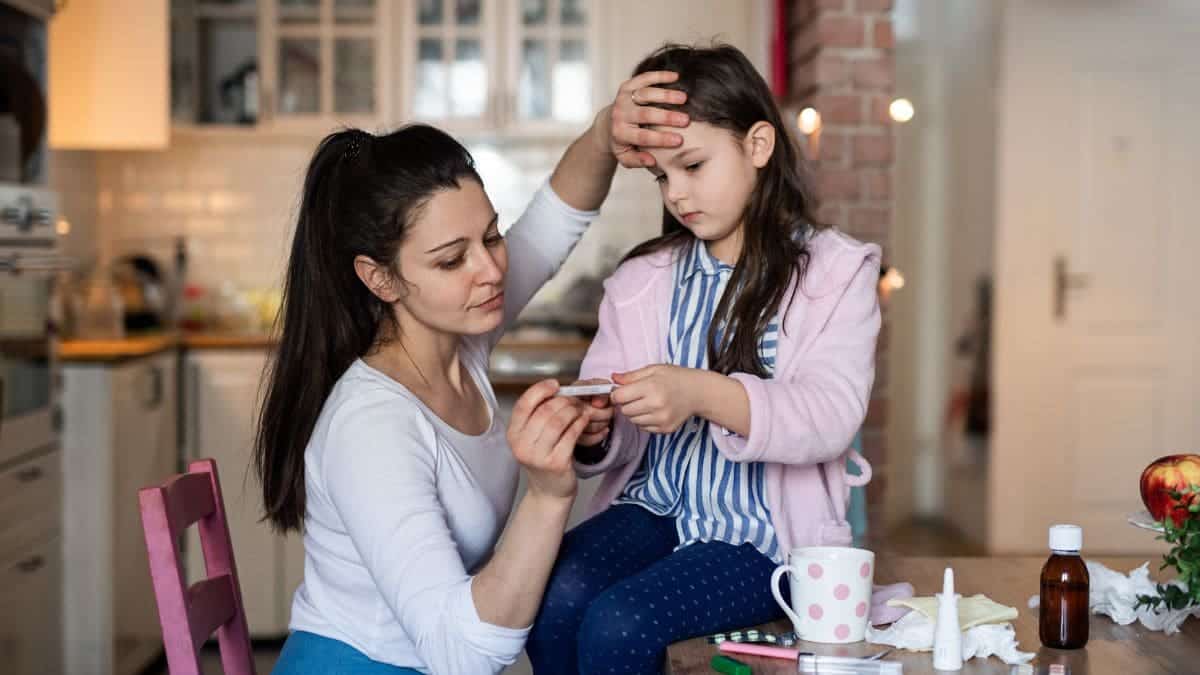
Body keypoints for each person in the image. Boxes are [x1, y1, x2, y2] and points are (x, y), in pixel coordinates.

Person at [255, 71, 690, 674]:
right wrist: (547, 492)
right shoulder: (372, 427)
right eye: (451, 258)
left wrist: (603, 135)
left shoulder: (461, 340)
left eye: (490, 236)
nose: (489, 269)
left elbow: (552, 221)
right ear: (379, 278)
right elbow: (460, 653)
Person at [527, 43, 882, 674]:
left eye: (693, 165)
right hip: (652, 508)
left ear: (758, 145)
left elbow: (831, 416)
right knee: (553, 592)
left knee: (620, 623)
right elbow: (603, 406)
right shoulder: (643, 277)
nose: (677, 195)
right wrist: (594, 429)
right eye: (663, 177)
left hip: (760, 539)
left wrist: (701, 393)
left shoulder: (834, 272)